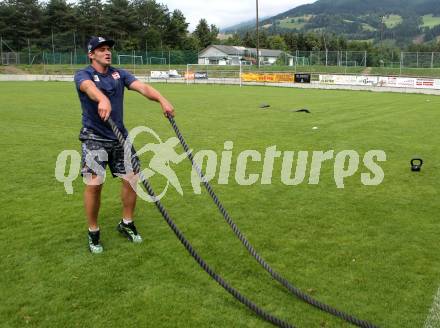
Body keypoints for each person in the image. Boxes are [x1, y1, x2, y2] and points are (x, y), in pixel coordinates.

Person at [74, 36, 175, 254]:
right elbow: (88, 88)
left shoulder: (119, 74)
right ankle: (93, 231)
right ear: (91, 54)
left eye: (108, 48)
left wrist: (162, 99)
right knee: (94, 183)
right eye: (101, 49)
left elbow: (143, 87)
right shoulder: (84, 74)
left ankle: (126, 223)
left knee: (132, 178)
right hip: (94, 137)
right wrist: (102, 99)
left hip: (119, 136)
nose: (107, 52)